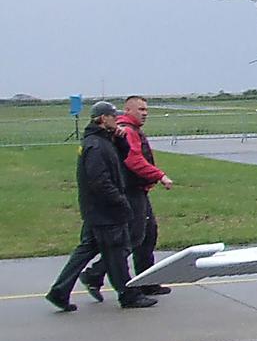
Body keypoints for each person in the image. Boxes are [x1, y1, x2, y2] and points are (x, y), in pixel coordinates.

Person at [46, 102, 155, 311]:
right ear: (103, 119)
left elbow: (121, 157)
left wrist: (121, 139)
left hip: (97, 210)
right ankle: (128, 295)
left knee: (86, 250)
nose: (117, 119)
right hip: (105, 210)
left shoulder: (104, 141)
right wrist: (120, 202)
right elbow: (99, 181)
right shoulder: (96, 145)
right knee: (117, 251)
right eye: (114, 116)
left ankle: (59, 291)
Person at [79, 95, 172, 296]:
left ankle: (147, 280)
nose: (145, 113)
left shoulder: (129, 130)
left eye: (146, 110)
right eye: (140, 109)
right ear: (127, 110)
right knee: (134, 237)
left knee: (147, 236)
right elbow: (134, 161)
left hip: (138, 190)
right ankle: (95, 274)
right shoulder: (127, 131)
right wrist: (160, 175)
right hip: (130, 191)